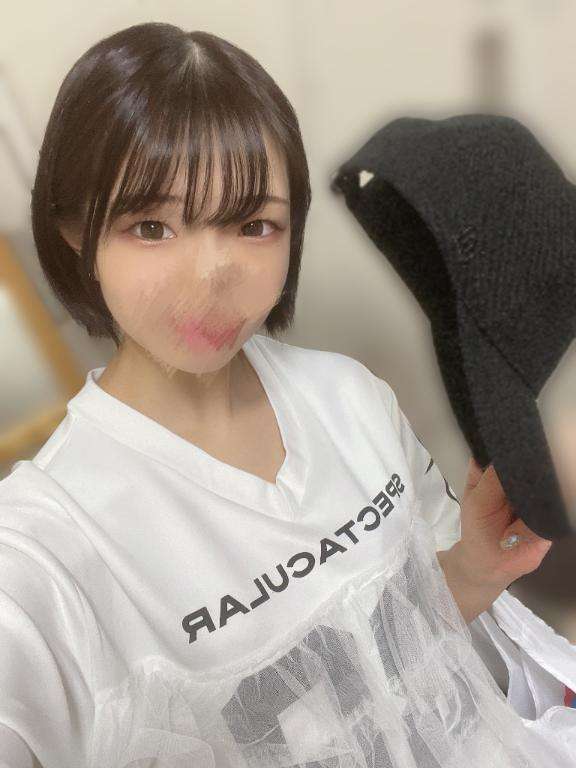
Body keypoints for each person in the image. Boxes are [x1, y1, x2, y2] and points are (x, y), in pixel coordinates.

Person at [0, 20, 572, 768]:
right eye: (152, 226)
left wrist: (472, 568)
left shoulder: (349, 397)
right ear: (76, 229)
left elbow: (395, 658)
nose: (211, 276)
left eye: (252, 224)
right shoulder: (39, 558)